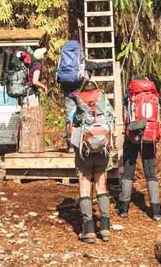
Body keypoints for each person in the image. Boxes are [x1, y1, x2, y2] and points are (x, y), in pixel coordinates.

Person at [70, 80, 114, 243]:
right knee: (101, 185)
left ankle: (88, 229)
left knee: (85, 186)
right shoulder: (104, 104)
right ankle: (105, 227)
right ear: (97, 91)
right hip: (102, 151)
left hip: (84, 153)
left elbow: (72, 131)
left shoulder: (78, 106)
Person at [115, 77, 161, 221]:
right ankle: (156, 211)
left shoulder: (131, 96)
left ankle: (123, 208)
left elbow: (126, 116)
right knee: (151, 173)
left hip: (132, 135)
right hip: (150, 135)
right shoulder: (153, 95)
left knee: (128, 171)